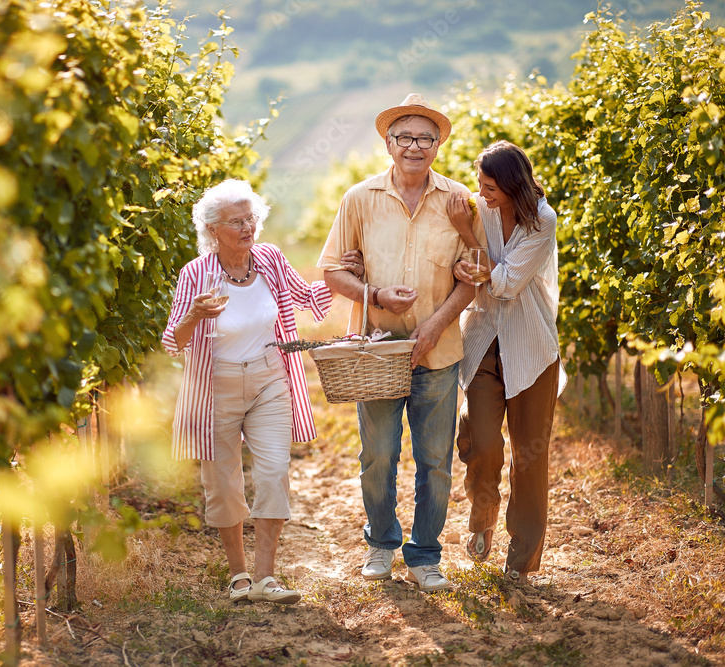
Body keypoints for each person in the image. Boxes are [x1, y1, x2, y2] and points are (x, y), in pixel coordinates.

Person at [318, 94, 480, 592]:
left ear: (437, 145)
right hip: (377, 353)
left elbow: (473, 276)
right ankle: (381, 545)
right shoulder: (359, 199)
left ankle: (426, 554)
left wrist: (434, 325)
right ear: (388, 144)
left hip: (439, 353)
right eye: (405, 137)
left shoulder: (459, 202)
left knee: (435, 460)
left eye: (425, 138)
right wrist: (374, 293)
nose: (415, 146)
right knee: (379, 456)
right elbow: (331, 271)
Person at [162, 179, 335, 605]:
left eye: (251, 218)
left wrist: (350, 272)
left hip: (269, 378)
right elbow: (173, 341)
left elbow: (307, 296)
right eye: (236, 221)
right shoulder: (195, 274)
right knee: (223, 485)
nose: (247, 227)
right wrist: (194, 315)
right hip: (215, 386)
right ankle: (239, 575)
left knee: (275, 472)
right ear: (213, 229)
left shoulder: (270, 259)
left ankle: (266, 577)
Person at [446, 140, 564, 584]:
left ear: (514, 185)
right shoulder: (479, 207)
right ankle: (482, 517)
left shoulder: (543, 219)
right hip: (482, 342)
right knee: (481, 441)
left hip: (531, 349)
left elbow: (504, 284)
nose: (482, 193)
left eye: (490, 187)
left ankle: (521, 559)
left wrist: (469, 238)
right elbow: (459, 266)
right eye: (479, 184)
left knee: (530, 459)